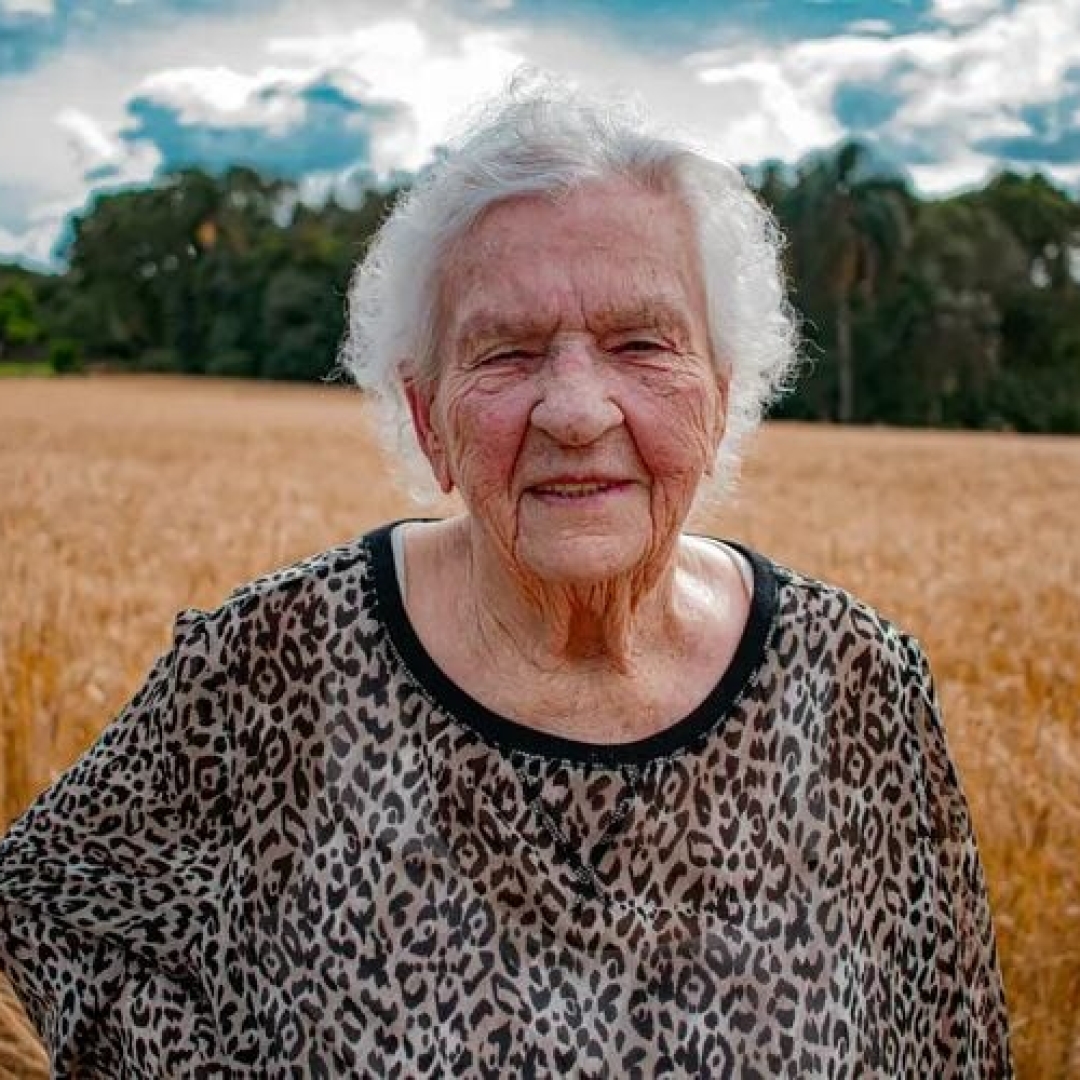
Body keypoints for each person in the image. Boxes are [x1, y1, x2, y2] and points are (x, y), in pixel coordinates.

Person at [0, 80, 1011, 1077]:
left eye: (640, 343)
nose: (575, 409)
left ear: (723, 395)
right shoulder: (274, 664)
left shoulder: (855, 683)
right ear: (430, 415)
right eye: (510, 351)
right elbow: (41, 908)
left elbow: (951, 1036)